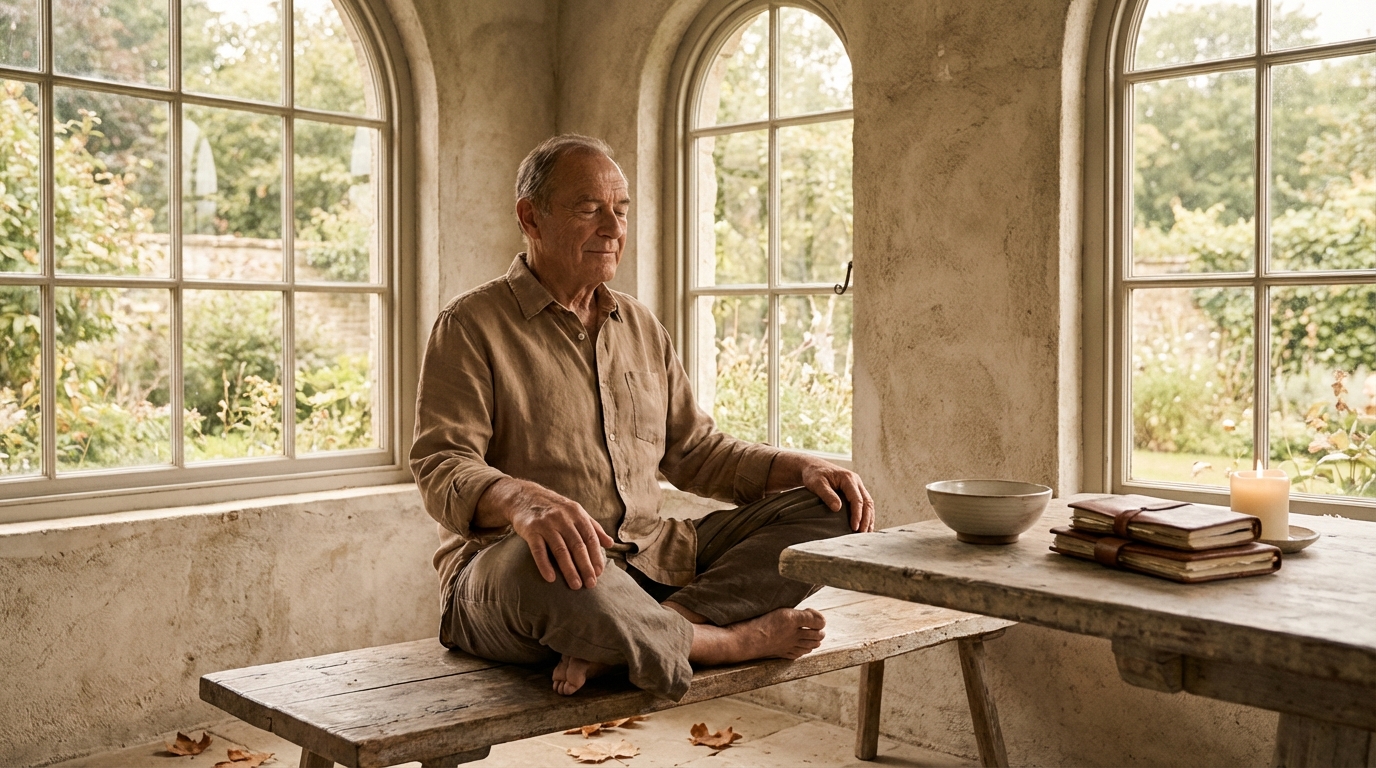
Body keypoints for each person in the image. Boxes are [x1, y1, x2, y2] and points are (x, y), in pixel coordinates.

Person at [410, 134, 874, 701]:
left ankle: (642, 634)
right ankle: (720, 642)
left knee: (836, 512)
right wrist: (521, 502)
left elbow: (695, 452)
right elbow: (441, 463)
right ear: (530, 217)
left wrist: (797, 467)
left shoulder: (641, 326)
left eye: (620, 210)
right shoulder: (469, 325)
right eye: (589, 209)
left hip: (652, 560)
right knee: (543, 565)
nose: (612, 227)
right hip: (515, 576)